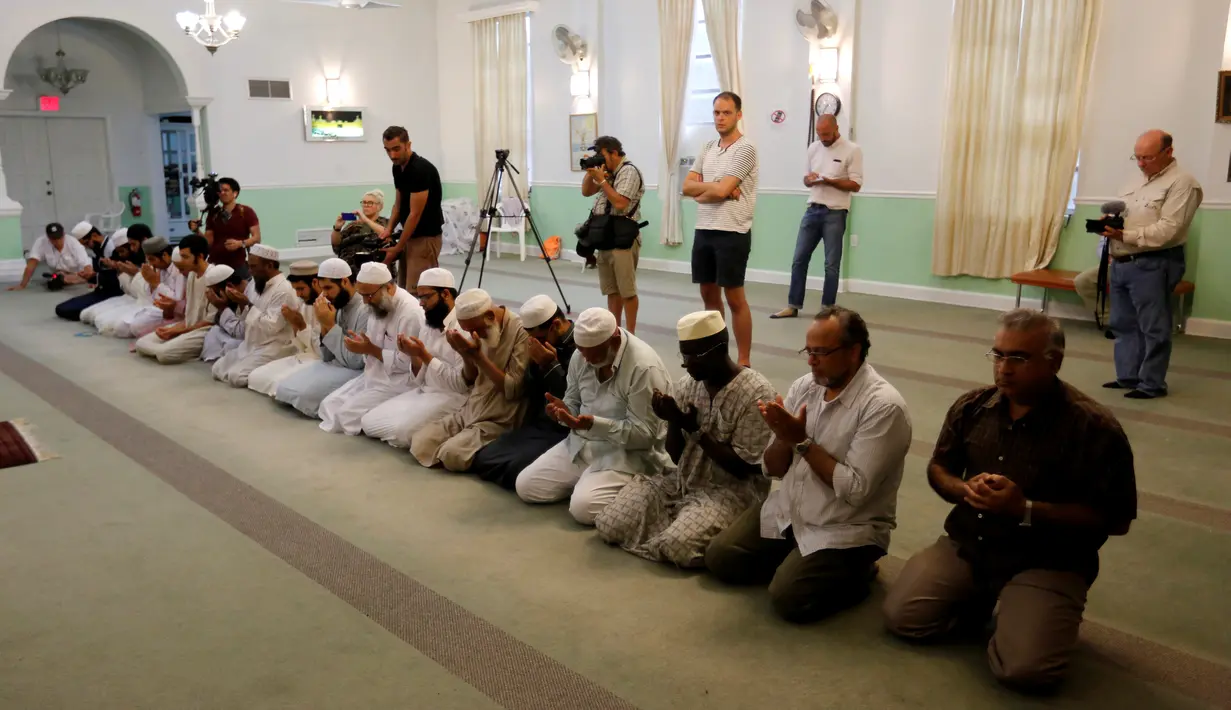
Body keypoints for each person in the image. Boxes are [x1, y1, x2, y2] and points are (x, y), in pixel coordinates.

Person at [883, 309, 1137, 692]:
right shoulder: (973, 407)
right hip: (971, 544)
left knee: (1025, 671)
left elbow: (1116, 519)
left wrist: (1026, 510)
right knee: (903, 619)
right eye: (998, 355)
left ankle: (1027, 611)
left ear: (1054, 361)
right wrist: (962, 490)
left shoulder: (1094, 428)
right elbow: (939, 467)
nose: (1004, 368)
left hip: (1049, 560)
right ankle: (994, 605)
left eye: (1018, 357)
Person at [706, 306, 912, 623]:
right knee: (721, 558)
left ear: (854, 351)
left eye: (821, 352)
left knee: (788, 599)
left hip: (845, 526)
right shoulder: (806, 386)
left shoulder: (883, 407)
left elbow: (855, 491)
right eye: (808, 351)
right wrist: (781, 436)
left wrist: (801, 442)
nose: (811, 361)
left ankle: (859, 570)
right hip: (792, 510)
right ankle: (800, 561)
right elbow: (772, 469)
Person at [596, 311, 777, 567]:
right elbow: (676, 455)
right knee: (610, 522)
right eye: (684, 354)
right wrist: (673, 420)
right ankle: (681, 523)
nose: (686, 364)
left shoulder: (756, 394)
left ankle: (680, 529)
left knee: (677, 544)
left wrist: (696, 431)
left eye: (694, 356)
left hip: (730, 493)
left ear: (720, 349)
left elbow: (744, 468)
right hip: (681, 482)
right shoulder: (687, 385)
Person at [515, 307, 671, 525]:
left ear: (614, 339)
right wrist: (562, 412)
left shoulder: (643, 367)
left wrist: (594, 425)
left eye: (594, 352)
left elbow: (644, 436)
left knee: (583, 510)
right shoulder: (581, 355)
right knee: (526, 486)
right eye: (581, 350)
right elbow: (573, 400)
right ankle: (589, 481)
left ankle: (614, 484)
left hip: (625, 454)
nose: (586, 359)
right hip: (581, 444)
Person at [1101, 130, 1203, 399]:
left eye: (1147, 157)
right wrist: (1110, 227)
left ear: (1168, 153)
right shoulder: (1135, 180)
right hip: (1122, 260)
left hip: (1155, 263)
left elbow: (1169, 229)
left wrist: (1125, 236)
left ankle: (1151, 384)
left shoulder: (1183, 183)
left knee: (1153, 327)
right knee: (1123, 323)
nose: (1141, 163)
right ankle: (1128, 376)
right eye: (1138, 157)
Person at [409, 288, 531, 472]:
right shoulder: (481, 328)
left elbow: (513, 390)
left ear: (490, 316)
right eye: (468, 331)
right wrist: (465, 354)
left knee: (451, 454)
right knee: (420, 442)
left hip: (499, 417)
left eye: (476, 329)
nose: (475, 335)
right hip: (471, 408)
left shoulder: (520, 331)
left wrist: (478, 357)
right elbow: (469, 379)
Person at [682, 92, 759, 367]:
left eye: (726, 112)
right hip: (705, 228)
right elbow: (687, 187)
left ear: (738, 114)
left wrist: (712, 189)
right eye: (716, 113)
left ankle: (744, 360)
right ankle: (719, 352)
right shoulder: (708, 147)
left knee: (735, 297)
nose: (720, 118)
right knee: (708, 295)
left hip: (732, 231)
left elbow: (720, 188)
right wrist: (715, 190)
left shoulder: (745, 148)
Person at [470, 294, 577, 489]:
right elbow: (529, 389)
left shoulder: (581, 347)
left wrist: (550, 366)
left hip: (567, 429)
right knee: (484, 457)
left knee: (516, 469)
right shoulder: (541, 343)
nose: (533, 343)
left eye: (538, 338)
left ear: (555, 325)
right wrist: (537, 366)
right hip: (540, 424)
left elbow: (574, 401)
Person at [359, 267, 467, 447]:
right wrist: (414, 356)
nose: (421, 304)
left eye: (425, 297)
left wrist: (423, 355)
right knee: (368, 421)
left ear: (446, 294)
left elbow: (461, 384)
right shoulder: (429, 323)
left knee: (402, 432)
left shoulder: (462, 328)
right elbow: (418, 378)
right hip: (424, 392)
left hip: (452, 397)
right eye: (419, 297)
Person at [317, 262, 425, 435]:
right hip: (374, 374)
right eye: (362, 295)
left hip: (398, 381)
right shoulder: (378, 304)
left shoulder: (410, 313)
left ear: (388, 288)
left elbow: (408, 365)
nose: (365, 301)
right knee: (328, 405)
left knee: (344, 416)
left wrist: (370, 349)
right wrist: (362, 346)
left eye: (369, 295)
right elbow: (372, 345)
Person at [771, 115, 863, 318]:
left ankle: (827, 308)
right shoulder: (813, 148)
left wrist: (830, 181)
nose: (824, 138)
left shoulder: (852, 150)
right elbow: (806, 179)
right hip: (812, 209)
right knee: (799, 259)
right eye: (820, 134)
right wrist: (810, 179)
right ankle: (793, 305)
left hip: (835, 212)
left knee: (831, 264)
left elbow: (856, 184)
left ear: (836, 128)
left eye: (827, 134)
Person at [274, 258, 372, 418]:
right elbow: (326, 356)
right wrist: (324, 326)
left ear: (345, 281)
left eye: (328, 288)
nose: (324, 294)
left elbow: (356, 362)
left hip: (356, 371)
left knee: (304, 396)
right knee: (283, 388)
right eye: (322, 288)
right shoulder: (339, 304)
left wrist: (331, 325)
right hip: (334, 364)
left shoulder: (365, 309)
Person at [581, 136, 645, 333]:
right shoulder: (606, 172)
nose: (598, 158)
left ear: (614, 153)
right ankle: (615, 330)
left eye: (601, 155)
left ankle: (631, 334)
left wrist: (602, 180)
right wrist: (591, 171)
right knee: (612, 290)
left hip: (622, 237)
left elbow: (620, 203)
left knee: (627, 291)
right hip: (604, 236)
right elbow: (586, 191)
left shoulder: (629, 171)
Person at [211, 244, 298, 387]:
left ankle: (277, 369)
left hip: (274, 345)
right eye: (248, 266)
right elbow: (245, 319)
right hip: (251, 344)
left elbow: (272, 326)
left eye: (254, 267)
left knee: (236, 377)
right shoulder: (254, 284)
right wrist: (238, 303)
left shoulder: (283, 289)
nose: (250, 271)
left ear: (269, 266)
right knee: (217, 368)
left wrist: (248, 305)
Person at [378, 126, 444, 289]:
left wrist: (398, 248)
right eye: (387, 150)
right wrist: (389, 229)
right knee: (405, 288)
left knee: (421, 291)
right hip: (409, 236)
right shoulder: (398, 167)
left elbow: (415, 214)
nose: (392, 155)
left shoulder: (421, 170)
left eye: (396, 149)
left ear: (408, 145)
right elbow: (398, 205)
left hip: (425, 238)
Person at [134, 235, 218, 364]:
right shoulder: (191, 275)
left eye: (185, 257)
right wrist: (173, 329)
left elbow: (210, 322)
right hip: (188, 326)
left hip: (204, 331)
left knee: (163, 354)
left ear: (200, 256)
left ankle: (170, 348)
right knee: (141, 343)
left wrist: (179, 330)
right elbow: (190, 316)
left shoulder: (213, 276)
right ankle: (168, 347)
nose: (182, 261)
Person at [246, 262, 323, 396]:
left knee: (280, 384)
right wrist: (294, 326)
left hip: (318, 359)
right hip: (301, 355)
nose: (298, 294)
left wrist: (301, 326)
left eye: (301, 289)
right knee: (255, 376)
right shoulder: (303, 303)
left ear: (315, 283)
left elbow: (323, 349)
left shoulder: (327, 306)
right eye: (296, 290)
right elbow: (299, 343)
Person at [97, 237, 185, 339]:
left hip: (174, 314)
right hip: (154, 308)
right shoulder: (159, 267)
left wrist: (156, 284)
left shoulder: (179, 269)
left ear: (165, 255)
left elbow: (176, 300)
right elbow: (149, 296)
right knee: (120, 328)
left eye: (152, 259)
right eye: (148, 260)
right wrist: (150, 282)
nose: (151, 263)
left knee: (135, 327)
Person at [81, 226, 148, 327]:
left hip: (144, 301)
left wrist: (135, 273)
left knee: (112, 325)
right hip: (130, 297)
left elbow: (146, 291)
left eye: (133, 245)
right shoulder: (130, 261)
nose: (133, 249)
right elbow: (128, 290)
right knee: (86, 315)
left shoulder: (148, 259)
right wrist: (120, 270)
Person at [55, 222, 121, 320]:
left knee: (67, 310)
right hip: (103, 289)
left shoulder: (111, 249)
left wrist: (94, 277)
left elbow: (117, 278)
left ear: (94, 236)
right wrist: (91, 276)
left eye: (86, 243)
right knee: (62, 308)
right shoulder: (99, 248)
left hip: (114, 292)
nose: (87, 247)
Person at [7, 222, 93, 291]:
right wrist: (22, 285)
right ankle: (60, 279)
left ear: (64, 235)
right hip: (59, 273)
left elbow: (86, 264)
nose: (57, 241)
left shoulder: (73, 243)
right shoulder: (41, 242)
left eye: (59, 238)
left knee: (68, 278)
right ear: (48, 237)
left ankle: (65, 279)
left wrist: (90, 277)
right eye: (54, 239)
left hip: (79, 273)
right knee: (54, 280)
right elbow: (31, 264)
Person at [331, 189, 394, 281]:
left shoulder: (386, 223)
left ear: (380, 206)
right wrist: (337, 228)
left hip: (377, 270)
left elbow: (386, 234)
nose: (366, 205)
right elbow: (336, 247)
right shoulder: (353, 225)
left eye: (370, 203)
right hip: (352, 271)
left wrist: (365, 219)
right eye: (364, 202)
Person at [204, 177, 261, 279]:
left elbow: (256, 238)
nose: (222, 193)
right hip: (216, 265)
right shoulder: (213, 213)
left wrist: (240, 244)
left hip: (237, 265)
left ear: (235, 193)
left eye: (226, 190)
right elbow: (208, 241)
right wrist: (196, 231)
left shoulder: (246, 212)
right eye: (220, 191)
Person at [199, 267, 252, 364]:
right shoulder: (234, 295)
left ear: (229, 286)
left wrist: (222, 307)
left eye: (215, 292)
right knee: (214, 331)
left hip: (251, 340)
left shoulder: (251, 295)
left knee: (232, 345)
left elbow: (240, 332)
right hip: (237, 334)